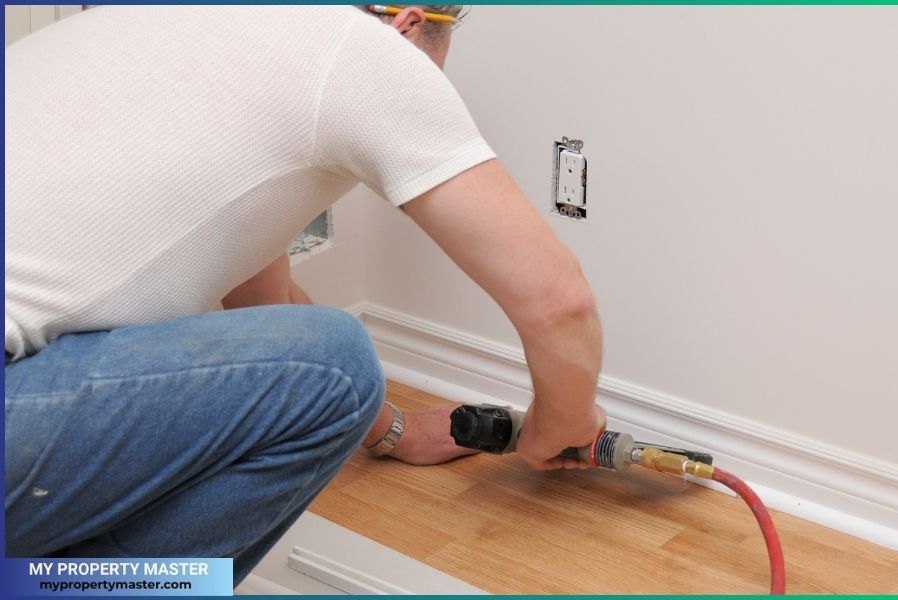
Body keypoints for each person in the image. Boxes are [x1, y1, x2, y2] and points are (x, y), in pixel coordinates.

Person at [4, 5, 604, 583]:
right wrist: (565, 421)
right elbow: (559, 300)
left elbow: (261, 310)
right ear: (409, 24)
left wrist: (395, 432)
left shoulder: (198, 31)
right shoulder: (357, 49)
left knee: (323, 363)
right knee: (340, 360)